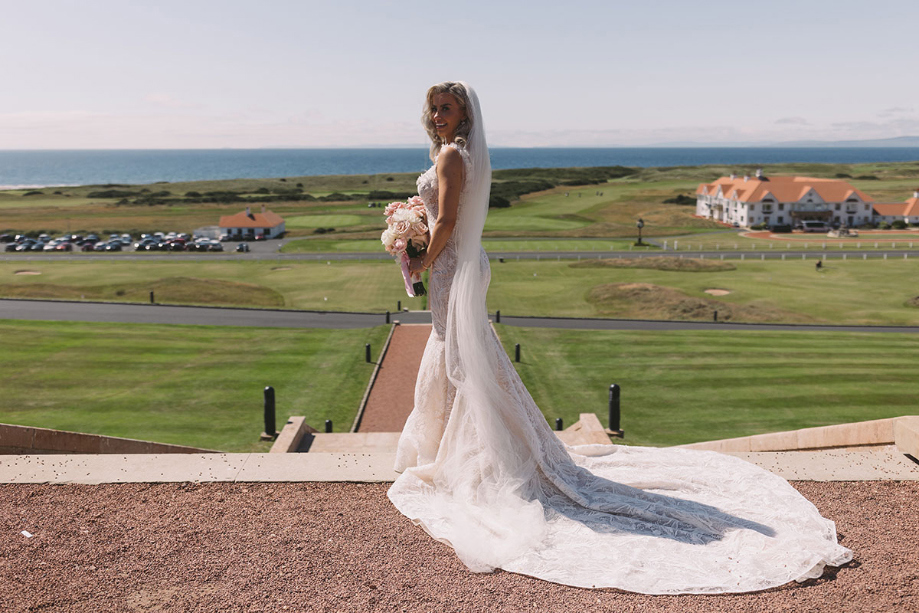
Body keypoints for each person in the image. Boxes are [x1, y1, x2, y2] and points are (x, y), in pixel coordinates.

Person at [388, 81, 851, 594]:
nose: (437, 115)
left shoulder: (452, 155)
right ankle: (459, 447)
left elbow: (449, 219)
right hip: (456, 265)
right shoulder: (450, 153)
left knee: (460, 352)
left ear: (464, 115)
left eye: (446, 107)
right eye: (433, 108)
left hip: (452, 265)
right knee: (459, 351)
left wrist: (420, 258)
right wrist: (416, 232)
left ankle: (474, 454)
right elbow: (441, 215)